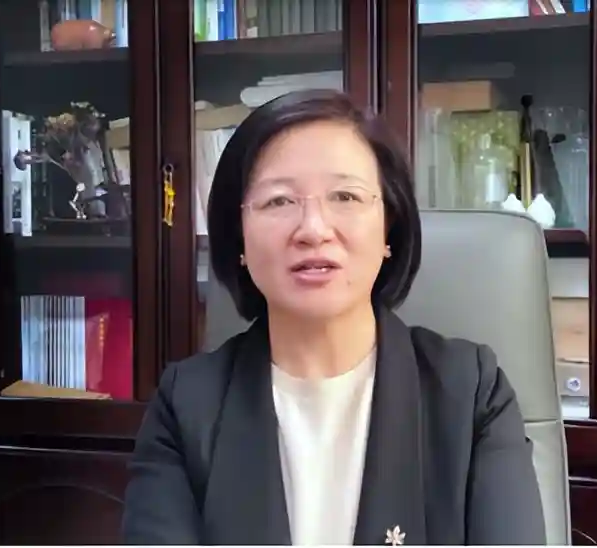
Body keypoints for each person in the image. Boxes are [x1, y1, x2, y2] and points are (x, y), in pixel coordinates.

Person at [121, 89, 546, 546]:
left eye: (345, 195)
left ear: (389, 226)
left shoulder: (471, 393)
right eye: (278, 201)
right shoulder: (185, 406)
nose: (313, 229)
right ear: (238, 237)